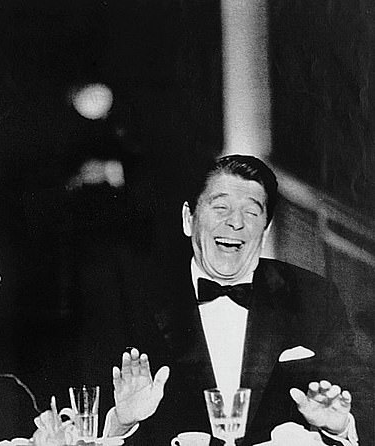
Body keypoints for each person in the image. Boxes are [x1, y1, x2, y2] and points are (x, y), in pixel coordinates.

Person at [79, 155, 371, 445]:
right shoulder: (131, 300)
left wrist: (340, 426)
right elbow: (84, 419)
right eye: (220, 208)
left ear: (266, 231)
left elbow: (362, 403)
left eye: (251, 213)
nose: (235, 223)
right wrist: (122, 420)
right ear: (188, 219)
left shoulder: (313, 296)